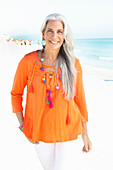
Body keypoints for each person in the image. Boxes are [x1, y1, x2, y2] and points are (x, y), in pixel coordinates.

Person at [11, 13, 92, 170]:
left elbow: (80, 99)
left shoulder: (74, 64)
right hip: (39, 131)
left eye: (59, 31)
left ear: (64, 35)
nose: (54, 36)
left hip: (68, 129)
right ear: (43, 33)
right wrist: (23, 126)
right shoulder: (28, 62)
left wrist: (86, 134)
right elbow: (16, 94)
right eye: (50, 31)